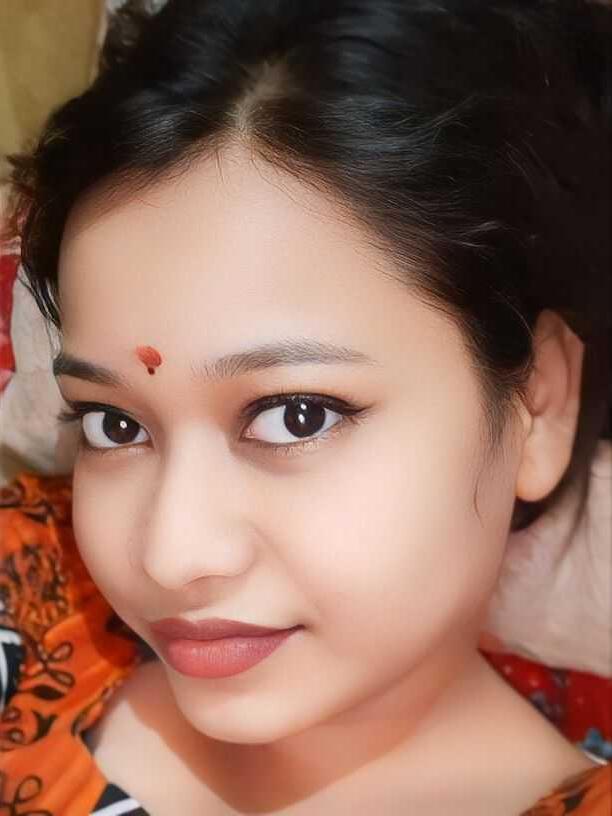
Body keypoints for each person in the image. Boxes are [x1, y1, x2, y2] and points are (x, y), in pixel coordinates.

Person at [1, 0, 610, 813]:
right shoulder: (22, 590)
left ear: (539, 402)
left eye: (297, 416)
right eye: (115, 425)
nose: (172, 556)